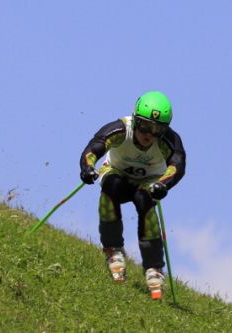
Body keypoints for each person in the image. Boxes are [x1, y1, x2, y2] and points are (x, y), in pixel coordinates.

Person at [79, 91, 186, 299]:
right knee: (111, 187)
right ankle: (113, 250)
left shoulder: (170, 141)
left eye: (157, 130)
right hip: (116, 171)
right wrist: (87, 168)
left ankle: (154, 268)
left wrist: (163, 185)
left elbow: (178, 166)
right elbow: (94, 148)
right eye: (145, 126)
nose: (149, 134)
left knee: (144, 200)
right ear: (135, 119)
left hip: (148, 182)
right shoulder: (121, 129)